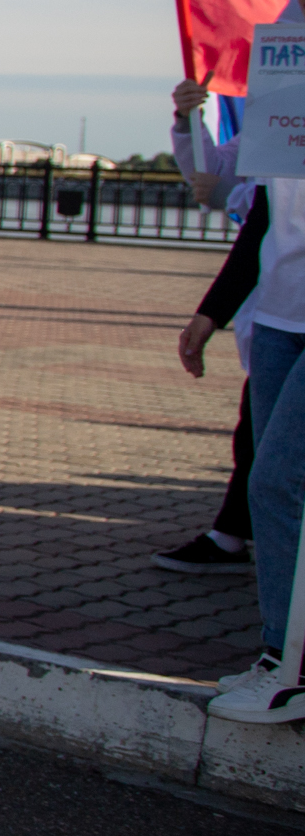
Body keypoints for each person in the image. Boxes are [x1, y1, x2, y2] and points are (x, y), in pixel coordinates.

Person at [172, 74, 305, 723]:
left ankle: (293, 667)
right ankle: (280, 657)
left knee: (279, 482)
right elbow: (255, 214)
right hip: (281, 316)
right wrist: (210, 314)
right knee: (268, 480)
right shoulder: (284, 96)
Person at [164, 184, 264, 574]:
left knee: (277, 466)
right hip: (279, 322)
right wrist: (211, 314)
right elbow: (258, 229)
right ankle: (278, 625)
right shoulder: (278, 137)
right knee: (263, 450)